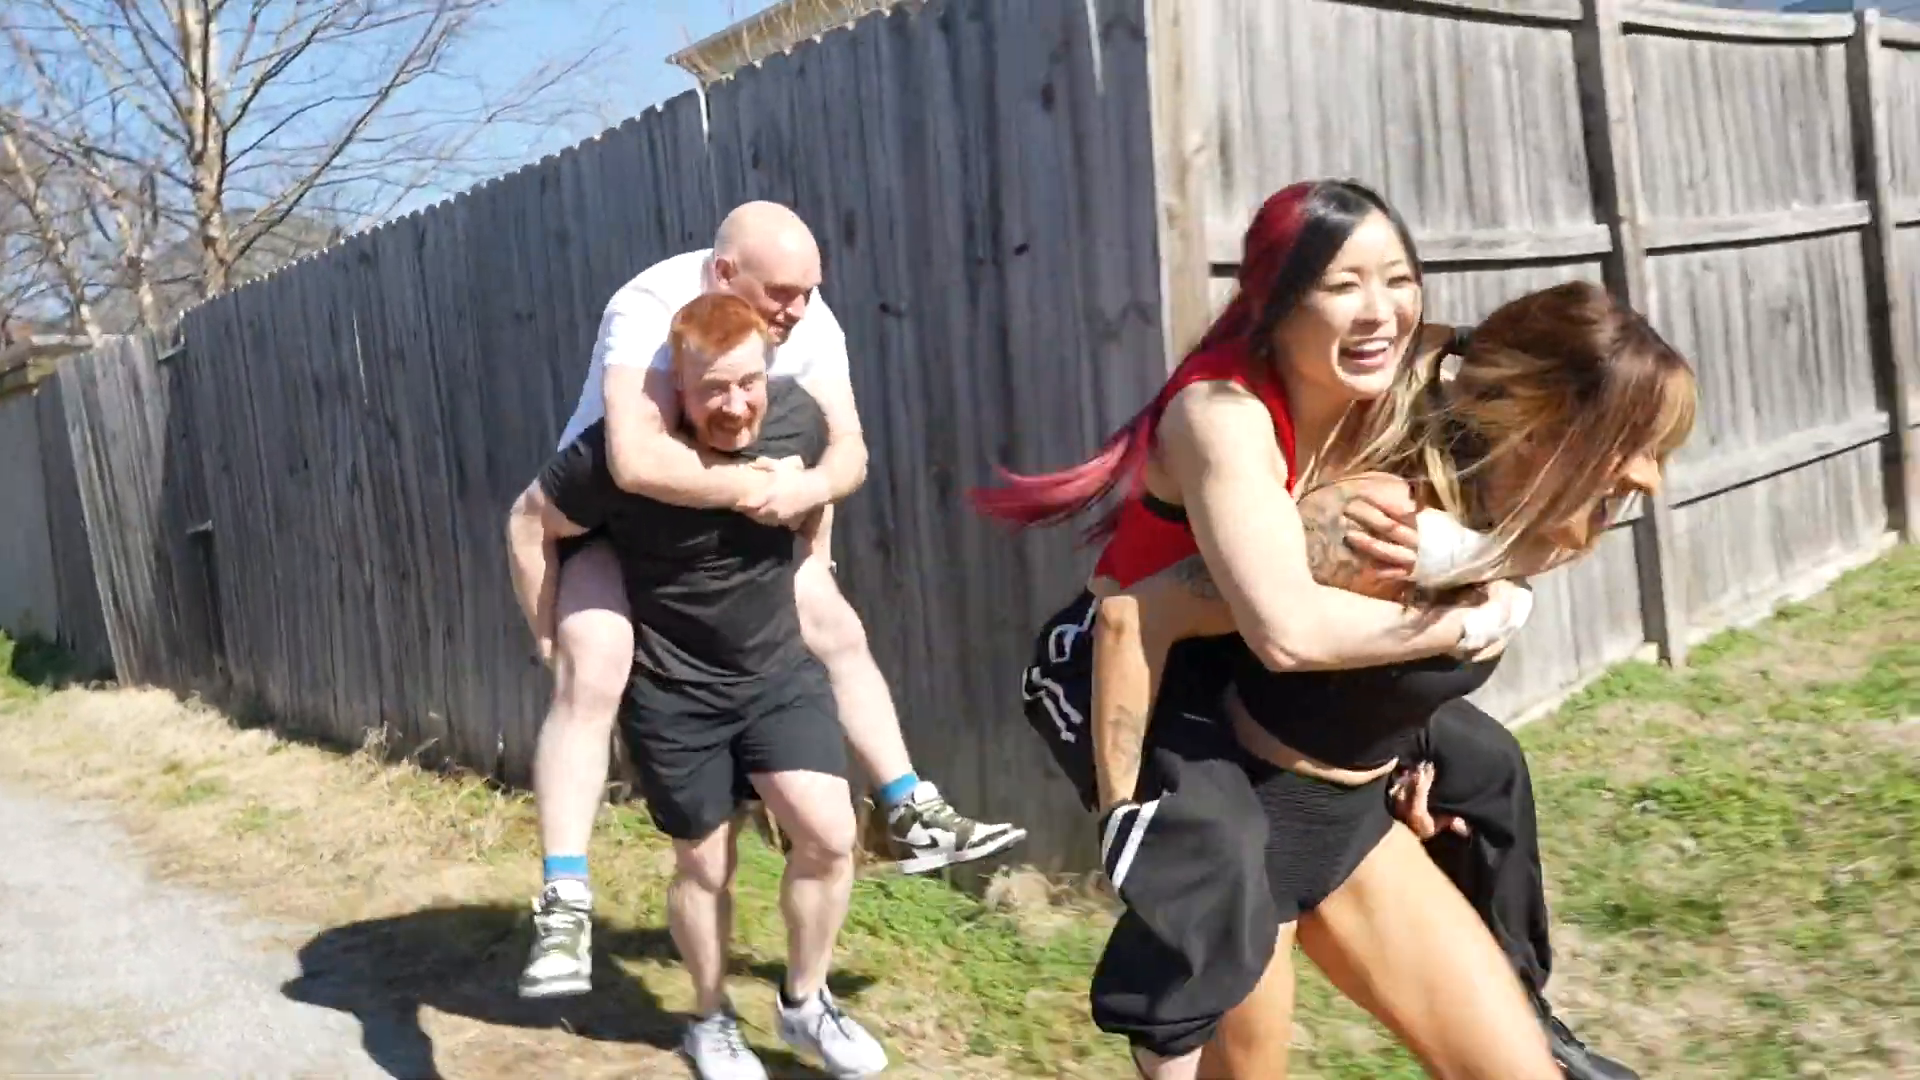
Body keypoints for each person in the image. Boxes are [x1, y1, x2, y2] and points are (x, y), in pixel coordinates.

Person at [977, 180, 1694, 1078]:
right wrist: (1129, 818)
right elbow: (1213, 624)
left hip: (1347, 815)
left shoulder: (1415, 405)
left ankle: (1535, 1009)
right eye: (1343, 284)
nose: (1648, 478)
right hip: (1192, 739)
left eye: (1399, 279)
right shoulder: (1264, 449)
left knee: (1491, 790)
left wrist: (1414, 713)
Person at [505, 201, 1024, 998]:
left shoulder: (808, 319)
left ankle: (910, 804)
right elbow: (636, 461)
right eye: (783, 292)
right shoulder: (647, 309)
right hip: (612, 521)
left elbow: (847, 448)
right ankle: (566, 898)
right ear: (724, 275)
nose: (801, 308)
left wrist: (807, 493)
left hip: (741, 516)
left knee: (832, 623)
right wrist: (758, 487)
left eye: (811, 289)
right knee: (595, 664)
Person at [512, 293, 890, 1079]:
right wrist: (547, 633)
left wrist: (817, 556)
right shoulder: (618, 456)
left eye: (748, 382)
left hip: (775, 673)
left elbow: (828, 483)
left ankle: (805, 1001)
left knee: (829, 836)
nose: (735, 404)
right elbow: (528, 523)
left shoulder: (795, 419)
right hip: (675, 690)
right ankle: (709, 1017)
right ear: (676, 389)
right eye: (713, 388)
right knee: (706, 867)